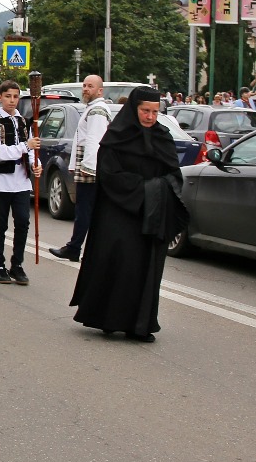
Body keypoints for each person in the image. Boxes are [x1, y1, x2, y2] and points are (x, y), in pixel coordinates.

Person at [69, 87, 187, 342]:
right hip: (118, 213)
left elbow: (174, 175)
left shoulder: (163, 137)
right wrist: (144, 188)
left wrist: (155, 190)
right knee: (119, 266)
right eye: (145, 111)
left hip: (150, 214)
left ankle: (140, 325)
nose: (150, 117)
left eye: (155, 112)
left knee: (145, 269)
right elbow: (109, 175)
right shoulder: (116, 137)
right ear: (134, 109)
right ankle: (109, 320)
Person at [0, 78, 40, 285]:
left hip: (22, 181)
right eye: (8, 96)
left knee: (23, 222)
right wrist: (25, 147)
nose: (12, 100)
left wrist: (36, 164)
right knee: (0, 224)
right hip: (2, 182)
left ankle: (17, 264)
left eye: (15, 96)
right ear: (0, 97)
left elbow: (32, 150)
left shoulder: (24, 122)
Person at [50, 75, 113, 263]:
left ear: (100, 90)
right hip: (86, 165)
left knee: (85, 210)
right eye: (84, 85)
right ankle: (78, 248)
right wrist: (72, 166)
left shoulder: (98, 110)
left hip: (90, 167)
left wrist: (88, 168)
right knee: (85, 209)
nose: (85, 89)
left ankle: (75, 248)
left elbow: (94, 140)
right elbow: (82, 139)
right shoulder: (92, 109)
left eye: (90, 86)